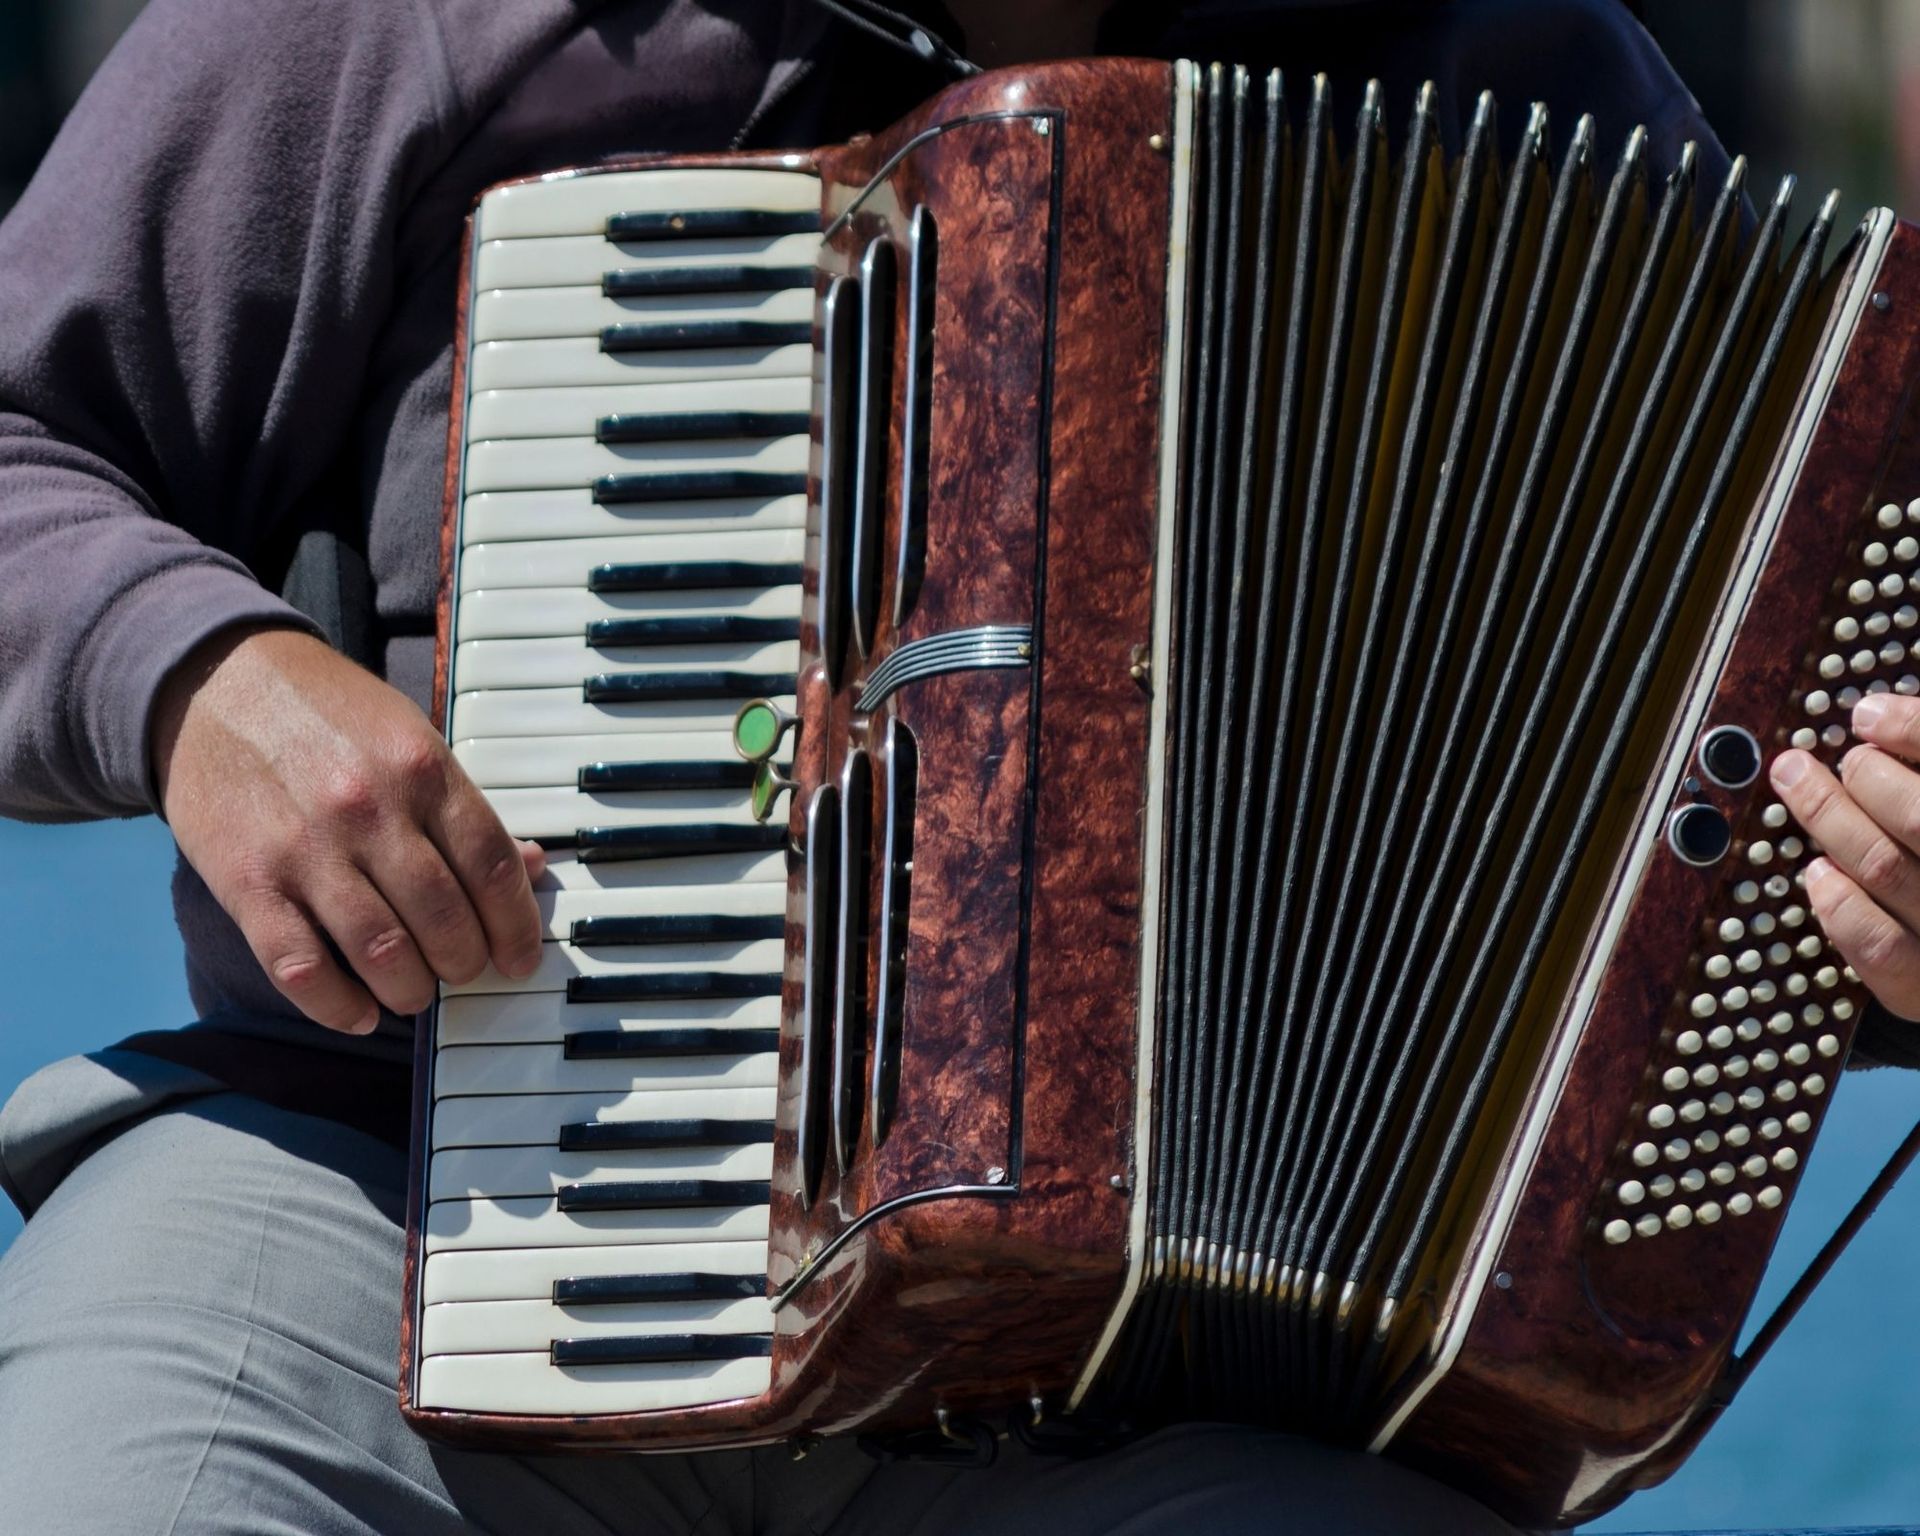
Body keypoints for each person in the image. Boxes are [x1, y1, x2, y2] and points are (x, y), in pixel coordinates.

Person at [0, 0, 1910, 1531]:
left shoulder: (1512, 71)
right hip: (389, 1225)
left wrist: (1886, 903)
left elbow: (1757, 730)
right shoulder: (418, 24)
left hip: (1198, 1403)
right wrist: (193, 679)